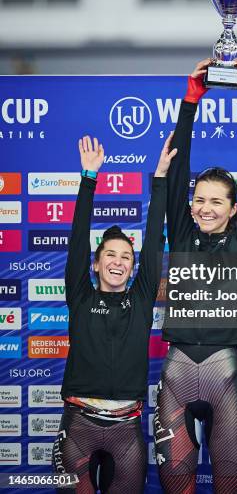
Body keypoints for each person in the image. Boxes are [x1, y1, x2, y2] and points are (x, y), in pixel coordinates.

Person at [154, 58, 237, 493]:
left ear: (234, 208)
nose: (205, 207)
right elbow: (177, 168)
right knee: (177, 485)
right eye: (199, 199)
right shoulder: (182, 230)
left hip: (225, 372)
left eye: (217, 201)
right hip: (175, 373)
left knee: (231, 486)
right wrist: (192, 98)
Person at [52, 133, 176, 494]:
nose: (118, 261)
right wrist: (88, 178)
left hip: (127, 431)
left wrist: (161, 177)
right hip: (78, 426)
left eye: (126, 257)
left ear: (133, 267)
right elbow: (77, 239)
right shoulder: (79, 294)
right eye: (110, 254)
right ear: (96, 262)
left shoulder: (139, 301)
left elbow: (154, 239)